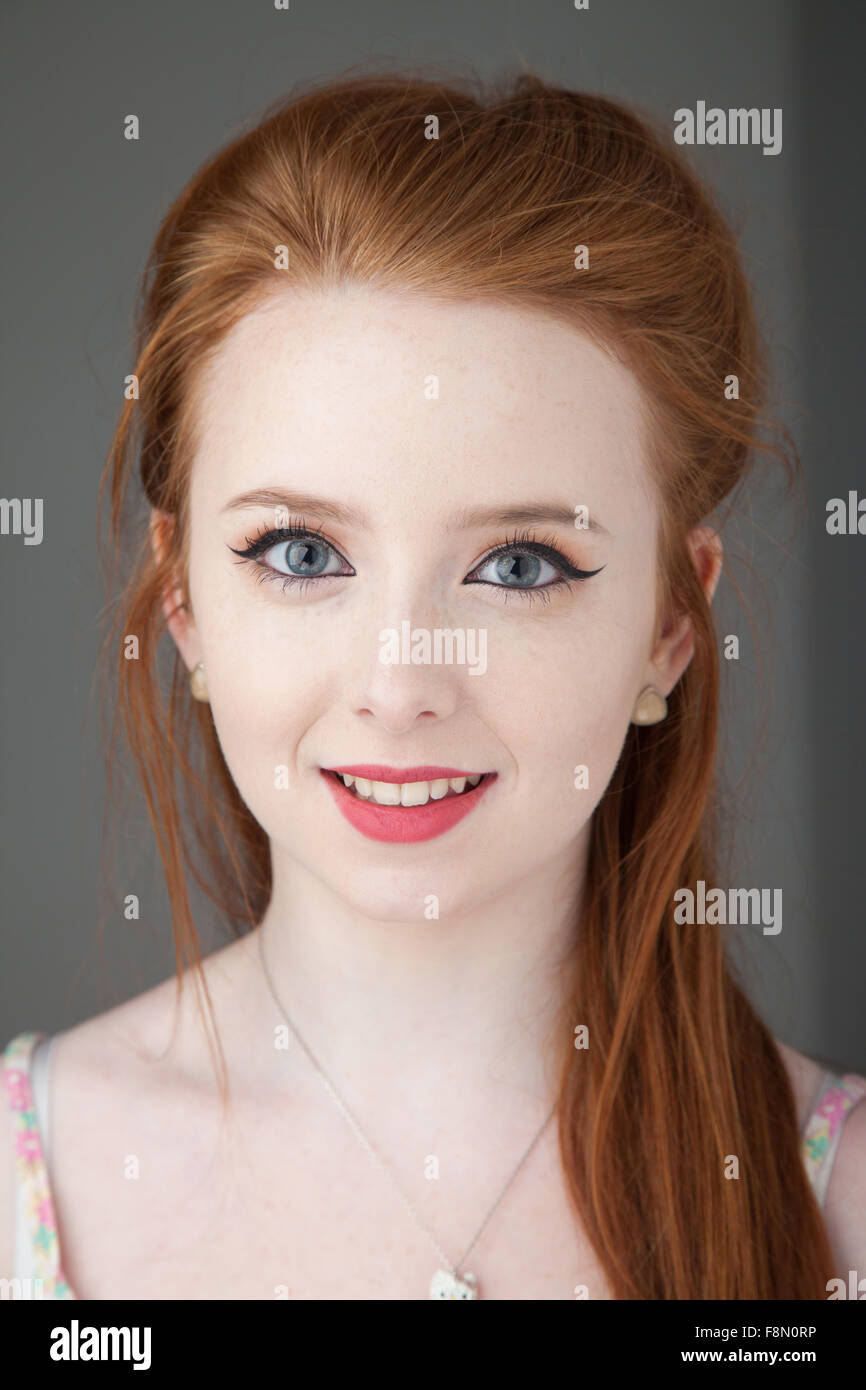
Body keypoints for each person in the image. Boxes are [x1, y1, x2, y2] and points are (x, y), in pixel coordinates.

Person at [2, 71, 864, 1302]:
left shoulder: (841, 1213)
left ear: (670, 624)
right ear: (183, 599)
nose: (402, 684)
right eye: (301, 554)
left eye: (517, 565)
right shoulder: (22, 1194)